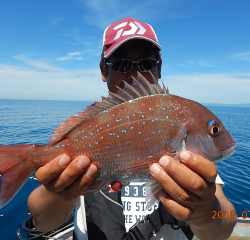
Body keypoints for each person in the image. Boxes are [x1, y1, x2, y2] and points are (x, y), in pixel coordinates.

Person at [28, 17, 237, 240]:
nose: (135, 74)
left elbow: (223, 225)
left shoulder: (191, 154)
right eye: (122, 64)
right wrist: (59, 194)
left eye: (146, 64)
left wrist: (205, 212)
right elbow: (42, 222)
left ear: (159, 67)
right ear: (103, 71)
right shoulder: (88, 128)